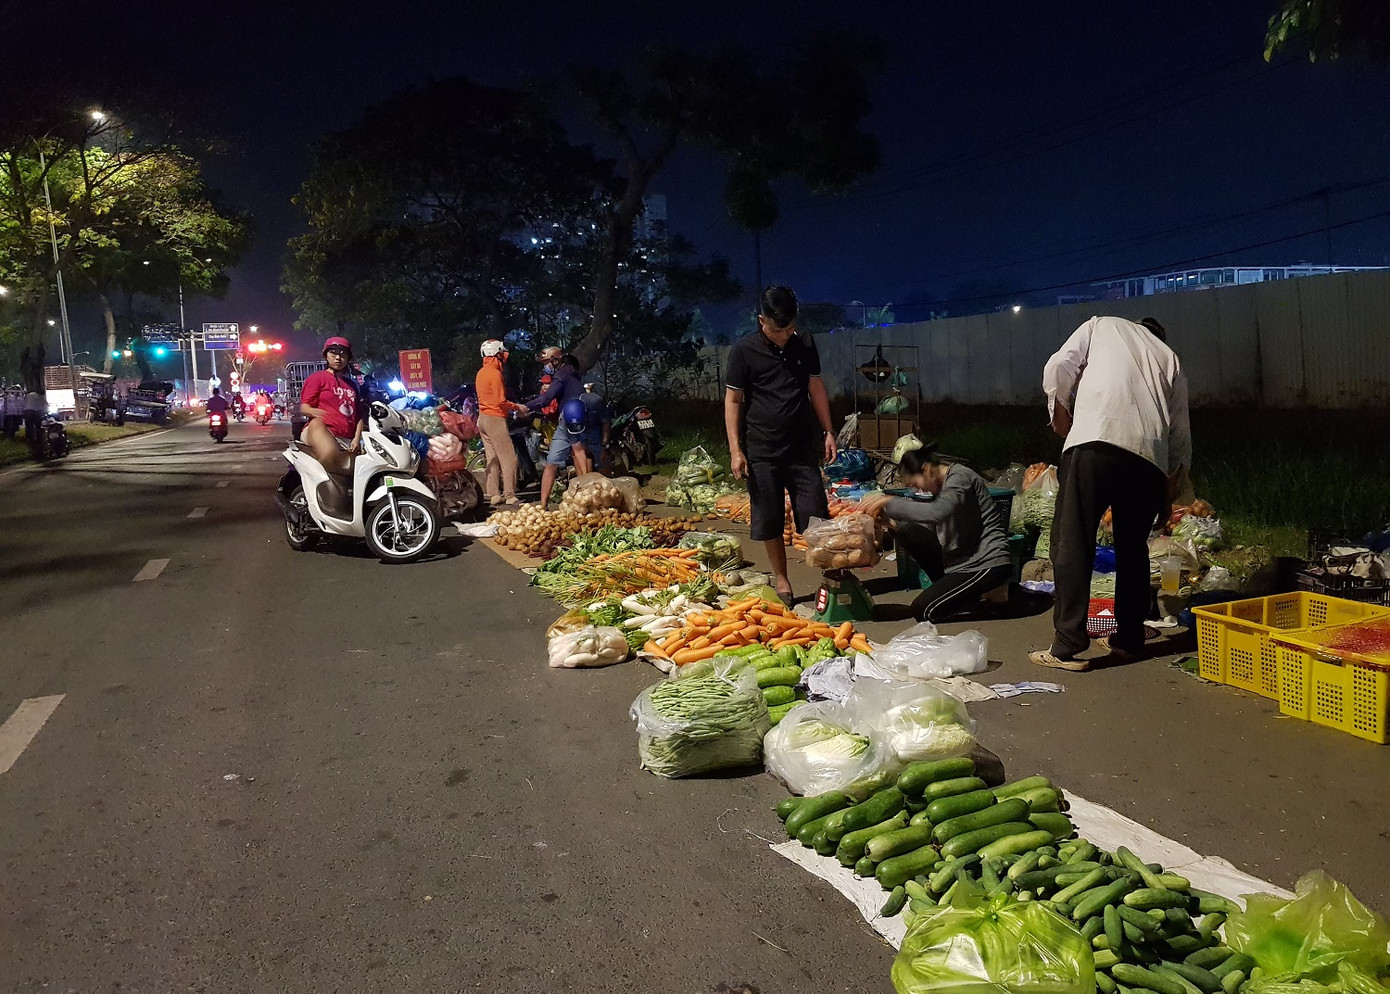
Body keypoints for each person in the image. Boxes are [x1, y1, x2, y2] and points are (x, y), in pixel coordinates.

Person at [1029, 315, 1191, 672]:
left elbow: (1059, 365)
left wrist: (1059, 414)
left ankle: (1068, 644)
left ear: (1137, 327)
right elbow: (1180, 433)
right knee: (1132, 549)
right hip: (1149, 458)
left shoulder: (1102, 325)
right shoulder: (1170, 358)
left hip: (1095, 440)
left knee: (1073, 540)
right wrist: (1168, 493)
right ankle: (1129, 640)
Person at [725, 284, 837, 606]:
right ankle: (783, 580)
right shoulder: (744, 351)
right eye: (778, 329)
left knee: (815, 514)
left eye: (791, 327)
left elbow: (815, 387)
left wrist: (828, 431)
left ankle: (831, 577)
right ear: (762, 321)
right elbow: (733, 400)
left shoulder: (804, 343)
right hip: (762, 450)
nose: (786, 334)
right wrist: (736, 450)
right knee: (770, 518)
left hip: (801, 446)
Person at [859, 447, 1014, 622]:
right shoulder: (942, 486)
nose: (918, 490)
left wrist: (890, 502)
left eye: (916, 484)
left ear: (926, 470)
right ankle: (969, 593)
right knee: (906, 530)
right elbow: (926, 524)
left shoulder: (959, 478)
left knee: (923, 611)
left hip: (985, 563)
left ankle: (994, 593)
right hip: (960, 561)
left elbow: (937, 512)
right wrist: (890, 523)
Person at [525, 345, 585, 506]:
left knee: (578, 453)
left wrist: (524, 407)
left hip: (572, 418)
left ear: (555, 360)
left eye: (547, 362)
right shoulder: (570, 372)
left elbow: (546, 398)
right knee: (553, 460)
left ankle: (587, 495)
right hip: (564, 421)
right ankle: (543, 503)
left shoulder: (563, 374)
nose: (546, 366)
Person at [476, 339, 529, 509]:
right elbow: (500, 401)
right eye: (502, 353)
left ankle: (493, 494)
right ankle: (510, 495)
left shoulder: (481, 372)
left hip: (482, 418)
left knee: (492, 457)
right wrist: (518, 407)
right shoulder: (495, 374)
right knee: (509, 458)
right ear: (497, 354)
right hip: (494, 419)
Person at [299, 337, 364, 469]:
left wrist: (357, 439)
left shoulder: (352, 385)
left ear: (348, 358)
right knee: (329, 451)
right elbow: (304, 407)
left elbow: (359, 417)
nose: (338, 358)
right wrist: (314, 412)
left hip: (346, 437)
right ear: (326, 356)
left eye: (342, 354)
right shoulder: (317, 378)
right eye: (333, 354)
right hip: (320, 431)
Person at [23, 387, 46, 456]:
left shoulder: (29, 395)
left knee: (29, 427)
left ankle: (30, 440)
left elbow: (24, 402)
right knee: (38, 427)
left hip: (27, 412)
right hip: (36, 413)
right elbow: (45, 406)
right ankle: (39, 441)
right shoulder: (41, 397)